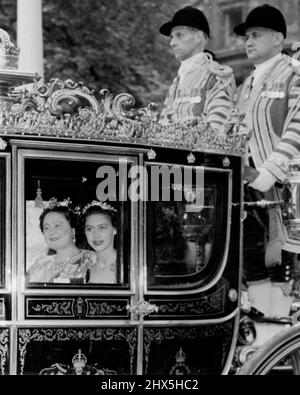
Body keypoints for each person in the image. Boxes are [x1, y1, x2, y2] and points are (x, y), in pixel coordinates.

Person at [234, 4, 300, 345]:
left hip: (285, 188)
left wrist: (270, 170)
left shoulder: (293, 73)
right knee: (251, 263)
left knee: (282, 266)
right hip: (248, 185)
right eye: (247, 36)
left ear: (278, 38)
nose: (249, 41)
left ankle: (283, 343)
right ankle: (264, 344)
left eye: (256, 35)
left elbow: (298, 126)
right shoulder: (246, 84)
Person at [158, 6, 235, 132]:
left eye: (179, 35)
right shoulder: (176, 81)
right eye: (172, 37)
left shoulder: (215, 75)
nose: (172, 43)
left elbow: (218, 129)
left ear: (198, 37)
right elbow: (163, 124)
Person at [26, 202, 96, 284]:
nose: (51, 232)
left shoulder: (91, 260)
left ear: (73, 230)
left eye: (57, 226)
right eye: (46, 228)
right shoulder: (40, 264)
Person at [81, 201, 117, 284]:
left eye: (102, 228)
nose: (96, 235)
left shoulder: (125, 265)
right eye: (90, 229)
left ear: (115, 229)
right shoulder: (83, 264)